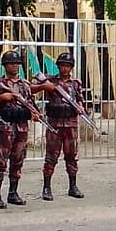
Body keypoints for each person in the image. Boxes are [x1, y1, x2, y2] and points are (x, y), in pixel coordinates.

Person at [31, 52, 87, 201]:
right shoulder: (50, 80)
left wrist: (80, 107)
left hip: (71, 124)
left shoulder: (75, 83)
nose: (65, 69)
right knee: (51, 157)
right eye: (62, 65)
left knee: (72, 156)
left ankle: (73, 186)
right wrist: (44, 86)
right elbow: (29, 89)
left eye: (68, 66)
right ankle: (47, 187)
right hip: (54, 124)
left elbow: (80, 99)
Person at [0, 50, 32, 209]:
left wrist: (35, 113)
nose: (15, 66)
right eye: (12, 63)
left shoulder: (25, 85)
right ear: (5, 66)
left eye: (17, 63)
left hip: (21, 126)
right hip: (5, 126)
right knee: (1, 161)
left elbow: (30, 103)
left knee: (18, 160)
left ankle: (13, 192)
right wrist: (1, 98)